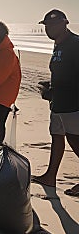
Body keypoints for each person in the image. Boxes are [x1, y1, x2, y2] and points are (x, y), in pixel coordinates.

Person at [31, 10, 79, 197]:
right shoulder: (57, 45)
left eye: (54, 25)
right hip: (58, 102)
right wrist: (50, 88)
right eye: (47, 26)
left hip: (73, 104)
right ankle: (50, 176)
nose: (49, 29)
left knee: (75, 141)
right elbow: (62, 72)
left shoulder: (75, 44)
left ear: (65, 23)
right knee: (56, 136)